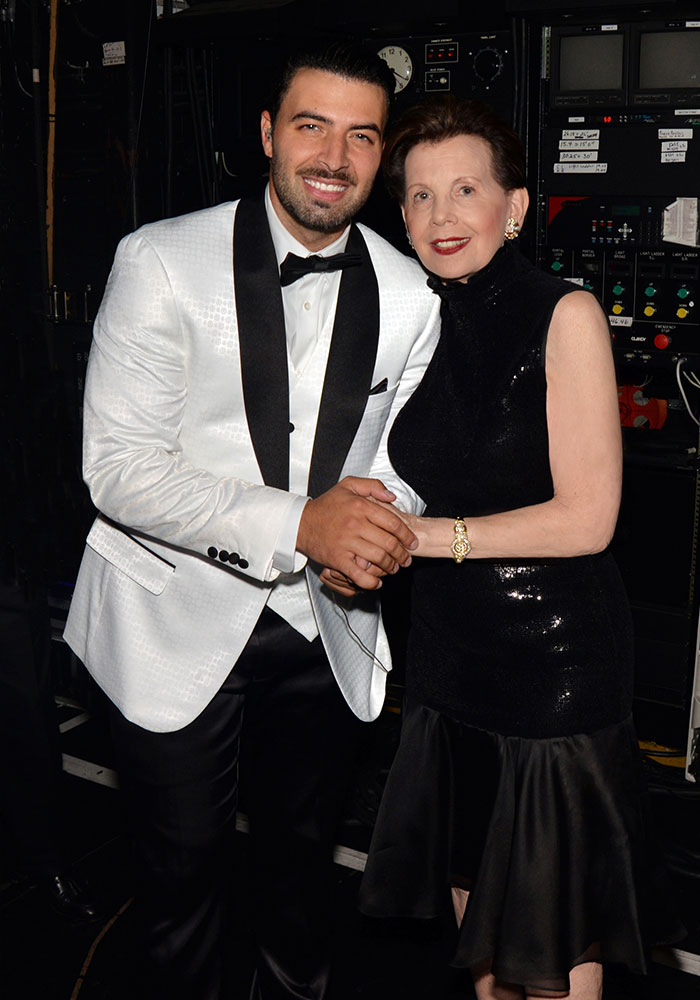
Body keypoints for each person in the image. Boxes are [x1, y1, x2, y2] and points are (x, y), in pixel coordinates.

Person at [63, 42, 441, 1000]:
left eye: (361, 135)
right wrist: (301, 525)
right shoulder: (158, 261)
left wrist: (385, 529)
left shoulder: (409, 295)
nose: (334, 156)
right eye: (311, 126)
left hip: (325, 628)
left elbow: (400, 463)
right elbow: (119, 470)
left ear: (382, 152)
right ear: (269, 134)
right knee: (180, 877)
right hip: (172, 617)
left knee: (301, 876)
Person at [322, 96, 682, 999]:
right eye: (418, 197)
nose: (441, 217)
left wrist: (420, 538)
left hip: (553, 666)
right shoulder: (413, 322)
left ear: (514, 206)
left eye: (466, 190)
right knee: (482, 946)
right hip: (447, 662)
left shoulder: (564, 315)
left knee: (555, 960)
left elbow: (588, 519)